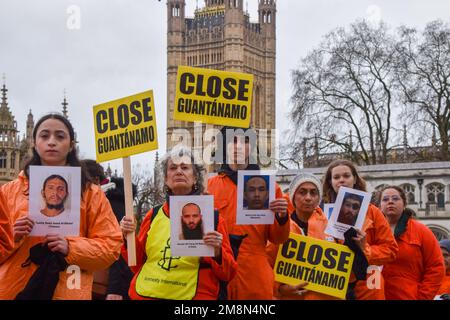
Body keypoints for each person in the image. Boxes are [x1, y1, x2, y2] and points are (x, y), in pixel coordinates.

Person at [0, 113, 123, 300]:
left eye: (59, 136)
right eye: (44, 136)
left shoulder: (91, 194)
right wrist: (11, 237)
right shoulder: (8, 192)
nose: (51, 142)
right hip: (14, 290)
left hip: (67, 291)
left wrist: (71, 248)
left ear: (71, 145)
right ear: (33, 142)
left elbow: (111, 247)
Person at [121, 146, 237, 300]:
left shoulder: (212, 217)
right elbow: (136, 264)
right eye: (173, 168)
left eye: (185, 167)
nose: (178, 171)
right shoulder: (153, 215)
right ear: (166, 179)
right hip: (146, 293)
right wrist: (127, 237)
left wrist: (217, 252)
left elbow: (228, 273)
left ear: (195, 178)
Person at [207, 127, 290, 300]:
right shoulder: (209, 186)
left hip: (255, 272)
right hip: (218, 269)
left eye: (244, 141)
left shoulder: (269, 186)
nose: (237, 146)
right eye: (232, 140)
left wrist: (282, 217)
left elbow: (278, 238)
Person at [322, 159, 398, 300]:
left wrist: (365, 249)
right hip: (333, 280)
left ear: (355, 179)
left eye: (346, 176)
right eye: (336, 177)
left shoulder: (373, 212)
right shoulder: (321, 213)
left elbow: (391, 250)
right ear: (330, 182)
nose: (341, 180)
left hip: (370, 278)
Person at [267, 173, 337, 300]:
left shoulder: (332, 228)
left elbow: (345, 272)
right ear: (293, 196)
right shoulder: (280, 227)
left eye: (313, 193)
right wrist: (279, 289)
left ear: (319, 198)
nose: (308, 198)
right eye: (302, 192)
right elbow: (267, 265)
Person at [82, 159, 135, 300]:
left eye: (82, 181)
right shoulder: (88, 204)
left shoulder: (113, 203)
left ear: (96, 180)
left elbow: (120, 247)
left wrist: (115, 288)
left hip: (107, 288)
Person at [379, 186, 445, 300]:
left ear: (404, 204)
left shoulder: (421, 231)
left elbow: (436, 267)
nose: (390, 201)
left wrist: (423, 297)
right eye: (385, 199)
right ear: (379, 205)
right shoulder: (371, 231)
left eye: (395, 198)